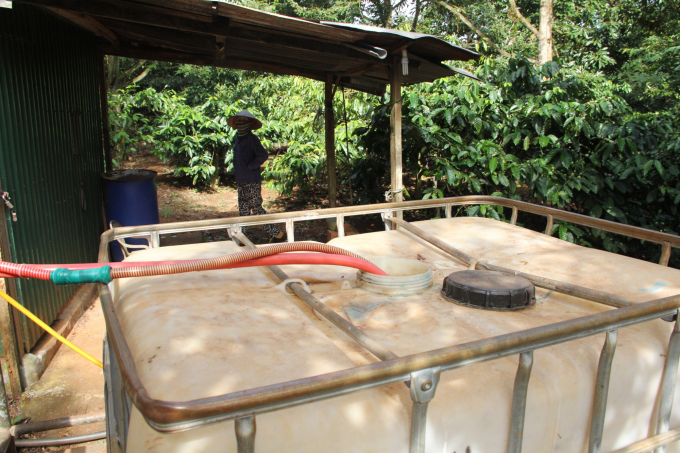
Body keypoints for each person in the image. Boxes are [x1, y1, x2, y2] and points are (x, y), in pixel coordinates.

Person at [227, 110, 286, 243]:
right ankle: (243, 238)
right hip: (241, 179)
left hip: (251, 180)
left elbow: (263, 155)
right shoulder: (238, 139)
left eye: (244, 120)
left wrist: (252, 166)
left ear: (249, 123)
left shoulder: (251, 139)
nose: (241, 123)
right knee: (243, 209)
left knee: (256, 207)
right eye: (239, 120)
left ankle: (277, 234)